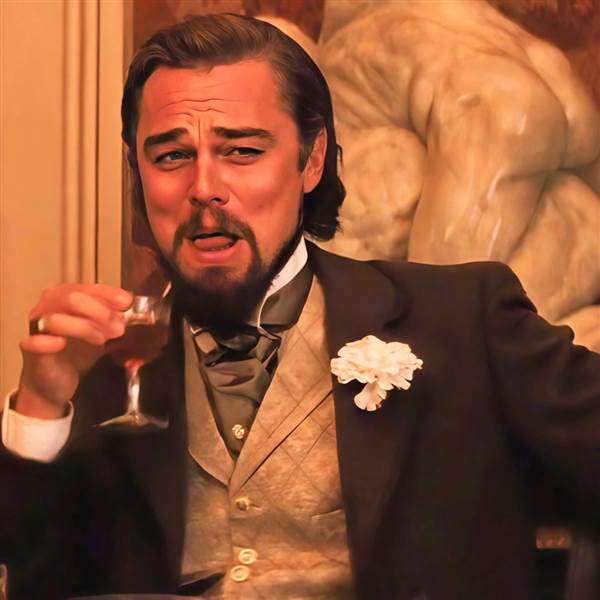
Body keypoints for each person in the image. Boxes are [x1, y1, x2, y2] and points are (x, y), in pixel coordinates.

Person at [1, 13, 599, 600]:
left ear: (311, 160)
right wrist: (42, 405)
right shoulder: (104, 365)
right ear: (138, 172)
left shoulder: (465, 320)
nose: (204, 188)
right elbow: (37, 579)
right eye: (172, 157)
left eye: (242, 151)